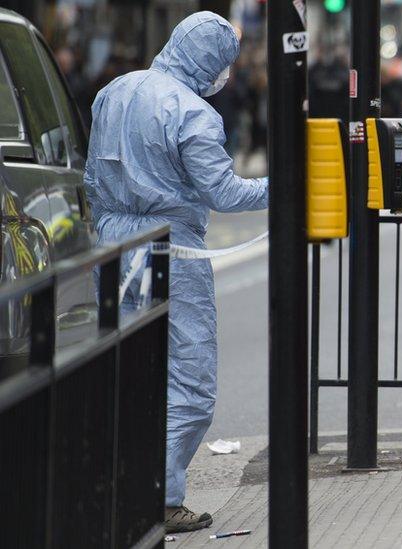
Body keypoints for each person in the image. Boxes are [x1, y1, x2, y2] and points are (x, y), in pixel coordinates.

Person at [84, 12, 268, 532]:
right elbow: (225, 193)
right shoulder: (193, 114)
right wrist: (286, 188)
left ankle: (114, 487)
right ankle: (160, 500)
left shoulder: (116, 90)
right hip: (171, 251)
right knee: (189, 380)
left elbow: (92, 172)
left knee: (128, 365)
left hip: (115, 242)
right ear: (212, 61)